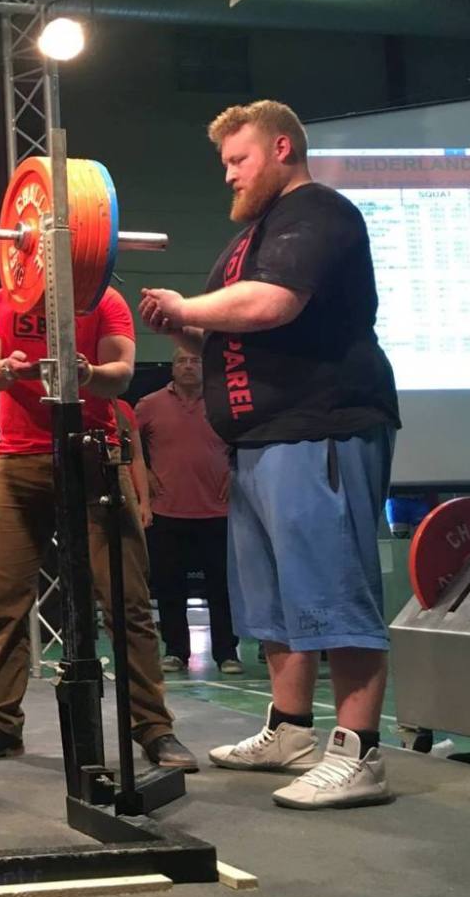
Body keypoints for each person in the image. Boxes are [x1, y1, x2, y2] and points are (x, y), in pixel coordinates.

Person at [139, 99, 400, 810]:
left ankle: (360, 754)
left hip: (320, 428)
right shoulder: (249, 239)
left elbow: (272, 306)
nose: (228, 175)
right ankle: (289, 730)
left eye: (239, 159)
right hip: (258, 439)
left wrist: (185, 305)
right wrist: (181, 326)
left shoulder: (316, 212)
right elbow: (227, 338)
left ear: (281, 148)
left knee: (334, 594)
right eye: (224, 163)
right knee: (279, 603)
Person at [0, 286, 197, 771]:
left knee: (128, 602)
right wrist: (9, 369)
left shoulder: (104, 300)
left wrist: (86, 374)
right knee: (4, 602)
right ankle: (1, 723)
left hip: (93, 454)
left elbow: (120, 374)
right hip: (17, 460)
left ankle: (153, 727)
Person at [136, 348, 242, 675]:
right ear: (172, 367)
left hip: (218, 511)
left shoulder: (225, 402)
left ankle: (227, 653)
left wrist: (236, 472)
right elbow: (127, 444)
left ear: (205, 366)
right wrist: (145, 474)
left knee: (222, 588)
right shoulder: (149, 405)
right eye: (181, 361)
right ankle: (176, 651)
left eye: (195, 360)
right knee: (169, 587)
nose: (188, 366)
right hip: (166, 511)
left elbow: (246, 442)